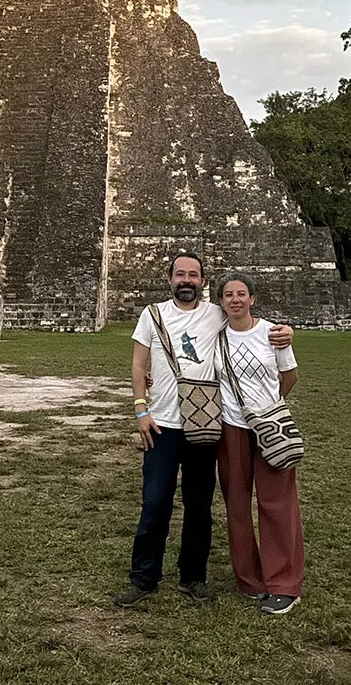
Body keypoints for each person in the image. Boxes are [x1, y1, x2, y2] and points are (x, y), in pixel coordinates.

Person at [112, 253, 292, 608]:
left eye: (193, 275)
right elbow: (137, 363)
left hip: (205, 425)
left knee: (198, 505)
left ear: (202, 281)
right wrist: (139, 410)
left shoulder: (216, 313)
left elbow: (250, 320)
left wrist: (286, 330)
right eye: (180, 274)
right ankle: (144, 578)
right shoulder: (152, 315)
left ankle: (193, 576)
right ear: (170, 279)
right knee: (155, 503)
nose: (186, 280)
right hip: (161, 424)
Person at [217, 272, 304, 615]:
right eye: (228, 295)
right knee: (236, 504)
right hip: (231, 427)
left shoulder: (273, 334)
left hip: (269, 427)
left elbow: (290, 375)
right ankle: (249, 579)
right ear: (221, 302)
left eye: (241, 294)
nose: (235, 300)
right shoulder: (216, 336)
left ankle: (283, 583)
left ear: (252, 299)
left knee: (277, 503)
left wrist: (268, 409)